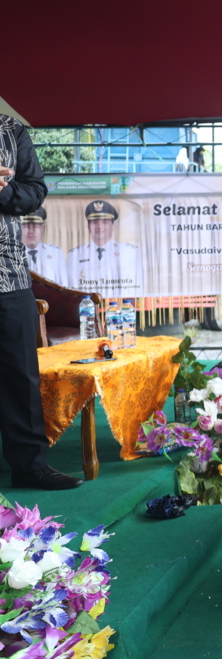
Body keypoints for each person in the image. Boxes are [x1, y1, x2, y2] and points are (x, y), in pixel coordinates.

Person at [0, 115, 82, 491]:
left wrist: (2, 191)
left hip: (9, 274)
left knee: (20, 374)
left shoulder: (10, 130)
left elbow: (34, 191)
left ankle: (30, 467)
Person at [67, 200, 142, 296]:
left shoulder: (129, 252)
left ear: (113, 226)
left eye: (105, 222)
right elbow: (71, 286)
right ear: (88, 226)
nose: (99, 227)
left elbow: (137, 285)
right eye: (94, 223)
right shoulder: (75, 254)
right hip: (87, 306)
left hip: (118, 305)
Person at [20, 208, 68, 284]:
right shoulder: (14, 254)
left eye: (35, 226)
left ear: (43, 229)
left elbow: (64, 285)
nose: (31, 231)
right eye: (26, 226)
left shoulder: (55, 253)